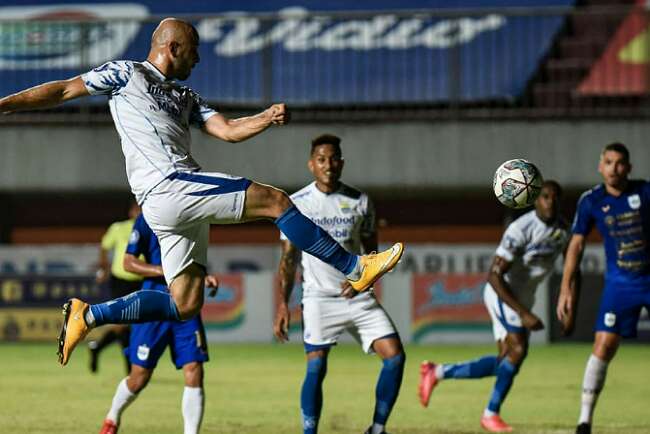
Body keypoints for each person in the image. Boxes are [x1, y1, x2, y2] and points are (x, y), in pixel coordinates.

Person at [0, 18, 404, 366]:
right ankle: (354, 268)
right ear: (173, 47)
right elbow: (63, 90)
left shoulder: (185, 97)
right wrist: (6, 105)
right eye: (193, 51)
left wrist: (264, 117)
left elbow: (227, 131)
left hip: (169, 204)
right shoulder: (126, 74)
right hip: (170, 186)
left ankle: (88, 316)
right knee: (278, 201)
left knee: (185, 303)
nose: (198, 59)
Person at [274, 134, 405, 434]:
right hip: (318, 297)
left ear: (342, 162)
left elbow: (373, 255)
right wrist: (283, 303)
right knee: (316, 366)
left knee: (395, 357)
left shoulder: (360, 201)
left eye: (333, 158)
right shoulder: (297, 203)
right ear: (311, 164)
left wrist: (365, 282)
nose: (328, 165)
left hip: (357, 295)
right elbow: (287, 260)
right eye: (322, 159)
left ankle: (378, 428)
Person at [419, 181, 569, 433]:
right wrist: (524, 313)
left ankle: (437, 372)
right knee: (518, 350)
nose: (550, 202)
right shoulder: (521, 229)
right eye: (544, 196)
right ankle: (490, 414)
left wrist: (569, 304)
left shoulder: (564, 230)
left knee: (505, 362)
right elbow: (494, 276)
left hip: (524, 298)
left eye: (555, 197)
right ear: (535, 199)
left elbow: (572, 268)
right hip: (504, 294)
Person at [557, 143, 650, 434]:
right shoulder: (591, 201)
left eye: (620, 163)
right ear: (600, 167)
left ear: (629, 168)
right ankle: (584, 421)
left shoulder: (645, 193)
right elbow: (576, 244)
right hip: (620, 284)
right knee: (604, 346)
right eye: (608, 162)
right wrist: (566, 288)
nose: (614, 168)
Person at [99, 213, 217, 434]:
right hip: (154, 305)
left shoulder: (195, 214)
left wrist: (203, 276)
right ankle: (112, 418)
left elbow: (193, 259)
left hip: (186, 304)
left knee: (194, 368)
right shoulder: (148, 217)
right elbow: (129, 262)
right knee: (139, 377)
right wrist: (167, 271)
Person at [89, 200, 143, 374]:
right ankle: (129, 366)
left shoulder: (151, 230)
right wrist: (103, 268)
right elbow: (105, 247)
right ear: (131, 212)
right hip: (120, 280)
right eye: (138, 210)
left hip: (140, 281)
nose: (140, 213)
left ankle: (97, 347)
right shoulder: (119, 228)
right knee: (122, 323)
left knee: (130, 324)